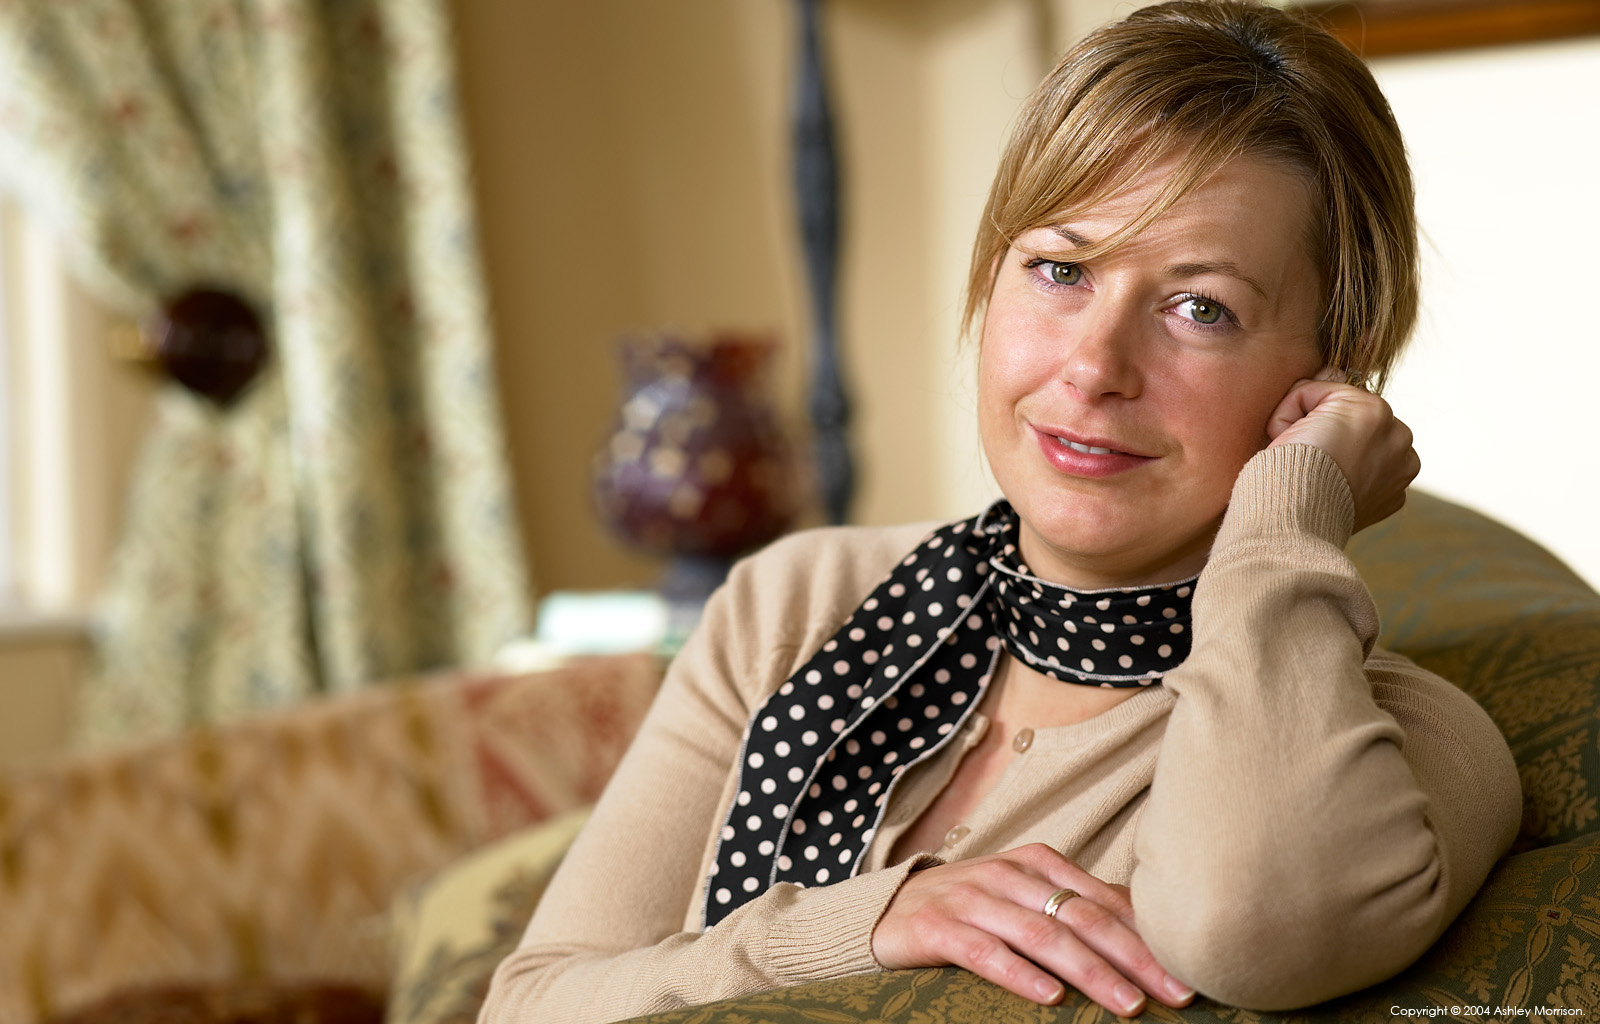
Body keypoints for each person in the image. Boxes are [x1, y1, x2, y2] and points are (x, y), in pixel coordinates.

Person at [480, 2, 1521, 1020]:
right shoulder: (797, 601)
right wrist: (867, 921)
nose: (1093, 366)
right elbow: (531, 1002)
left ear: (1331, 377)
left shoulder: (1405, 741)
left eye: (1201, 308)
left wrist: (1289, 517)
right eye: (1060, 268)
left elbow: (1245, 926)